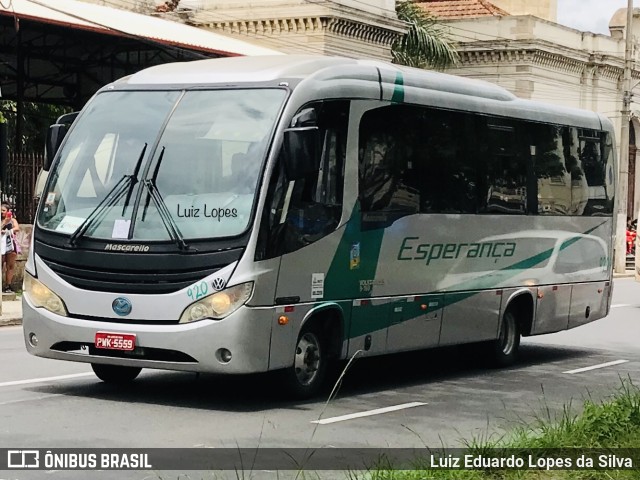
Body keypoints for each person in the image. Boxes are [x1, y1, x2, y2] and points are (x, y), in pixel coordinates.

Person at [1, 203, 20, 293]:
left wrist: (8, 231)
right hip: (1, 245)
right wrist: (3, 223)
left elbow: (17, 228)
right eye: (0, 210)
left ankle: (8, 285)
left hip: (10, 245)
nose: (1, 212)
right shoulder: (2, 221)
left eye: (3, 210)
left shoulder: (12, 220)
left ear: (8, 211)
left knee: (10, 266)